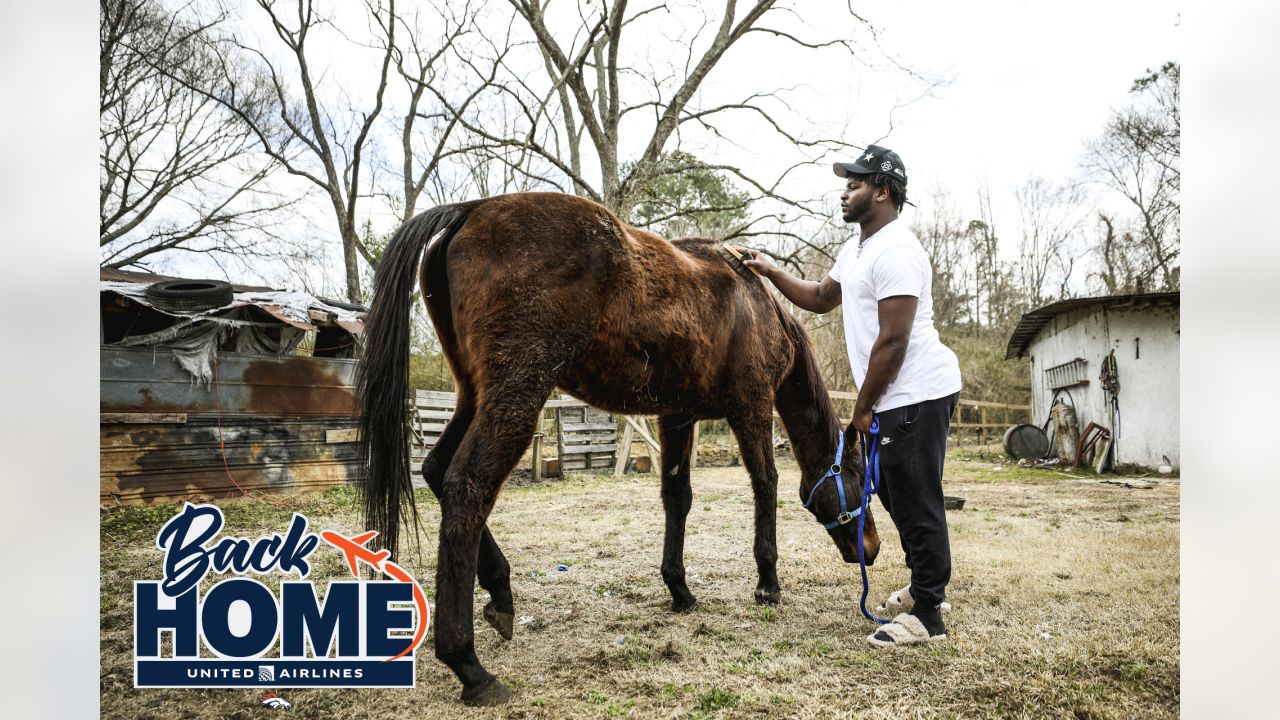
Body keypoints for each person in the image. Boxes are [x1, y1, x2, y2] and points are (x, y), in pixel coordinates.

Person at [737, 144, 962, 647]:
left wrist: (861, 412)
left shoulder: (898, 250)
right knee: (893, 493)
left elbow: (894, 340)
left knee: (916, 496)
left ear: (881, 192)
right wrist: (771, 271)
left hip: (918, 392)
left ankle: (928, 614)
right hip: (893, 396)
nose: (845, 191)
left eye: (855, 184)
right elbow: (820, 297)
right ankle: (926, 585)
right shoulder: (858, 247)